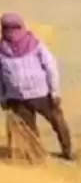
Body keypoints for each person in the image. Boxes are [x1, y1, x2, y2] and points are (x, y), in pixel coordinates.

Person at [0, 13, 72, 160]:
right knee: (29, 131)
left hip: (42, 94)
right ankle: (38, 157)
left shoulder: (36, 45)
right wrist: (3, 97)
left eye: (15, 27)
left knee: (58, 122)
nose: (11, 32)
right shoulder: (1, 50)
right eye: (7, 28)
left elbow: (51, 68)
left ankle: (67, 152)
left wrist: (55, 92)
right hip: (17, 98)